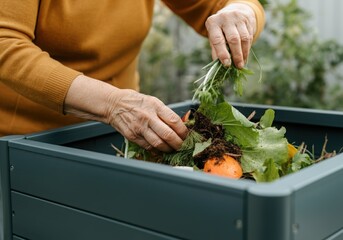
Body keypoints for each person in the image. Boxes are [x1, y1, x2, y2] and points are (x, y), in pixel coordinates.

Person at [0, 0, 265, 152]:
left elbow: (218, 4)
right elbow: (6, 43)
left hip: (121, 135)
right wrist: (112, 104)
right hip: (25, 144)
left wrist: (241, 12)